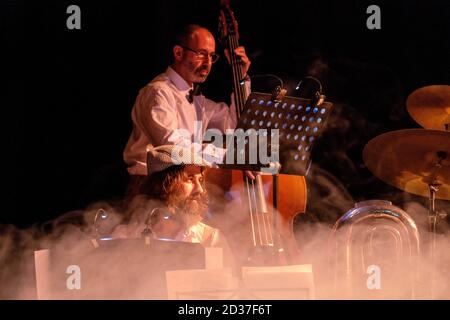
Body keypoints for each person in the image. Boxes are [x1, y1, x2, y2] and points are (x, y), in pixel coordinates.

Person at [123, 24, 251, 198]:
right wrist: (228, 156)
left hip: (183, 186)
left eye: (212, 56)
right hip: (151, 188)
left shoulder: (197, 100)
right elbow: (175, 150)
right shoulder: (158, 92)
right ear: (178, 53)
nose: (207, 63)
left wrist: (241, 79)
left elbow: (234, 126)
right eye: (201, 54)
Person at [114, 145, 232, 251]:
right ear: (164, 184)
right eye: (190, 179)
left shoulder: (211, 239)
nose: (200, 189)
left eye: (200, 180)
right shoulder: (126, 237)